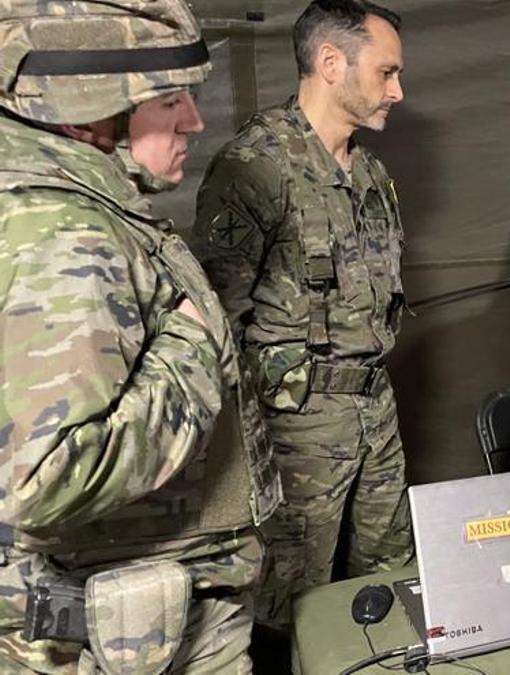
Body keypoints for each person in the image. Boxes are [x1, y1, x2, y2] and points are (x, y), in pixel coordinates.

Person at [0, 1, 281, 671]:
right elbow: (45, 477)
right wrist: (190, 350)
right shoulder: (63, 233)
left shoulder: (65, 200)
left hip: (143, 607)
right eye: (169, 101)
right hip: (130, 632)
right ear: (92, 110)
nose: (195, 120)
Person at [191, 0, 410, 629]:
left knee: (390, 583)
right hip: (296, 430)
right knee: (291, 604)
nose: (398, 91)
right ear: (330, 62)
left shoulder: (371, 173)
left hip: (376, 412)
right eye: (387, 72)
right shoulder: (256, 167)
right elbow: (214, 326)